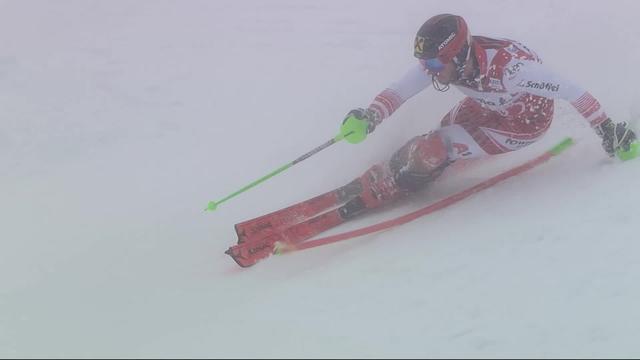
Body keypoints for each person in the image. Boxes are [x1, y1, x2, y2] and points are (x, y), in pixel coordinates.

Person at [337, 13, 638, 214]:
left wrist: (608, 130)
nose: (429, 72)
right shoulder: (446, 64)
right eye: (426, 65)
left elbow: (572, 91)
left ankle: (401, 181)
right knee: (434, 138)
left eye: (436, 65)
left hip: (523, 124)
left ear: (457, 55)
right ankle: (407, 167)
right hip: (485, 106)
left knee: (436, 147)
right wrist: (371, 115)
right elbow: (400, 90)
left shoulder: (512, 70)